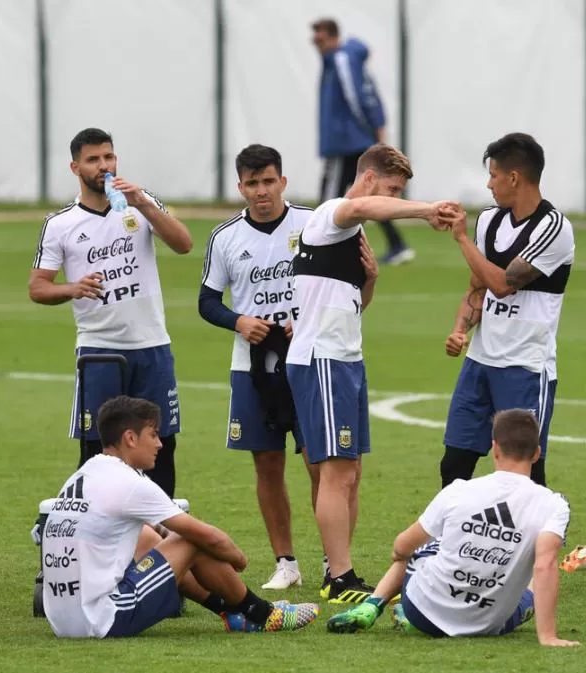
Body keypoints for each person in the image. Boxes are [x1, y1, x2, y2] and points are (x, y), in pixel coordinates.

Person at [285, 143, 456, 602]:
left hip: (345, 358)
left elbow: (351, 306)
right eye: (393, 189)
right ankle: (337, 576)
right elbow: (363, 205)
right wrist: (425, 210)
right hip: (322, 359)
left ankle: (340, 571)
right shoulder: (332, 213)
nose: (394, 199)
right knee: (335, 472)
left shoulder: (348, 235)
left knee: (350, 472)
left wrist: (372, 281)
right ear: (368, 178)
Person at [41, 395, 319, 638]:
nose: (160, 444)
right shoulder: (128, 483)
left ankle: (230, 613)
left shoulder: (85, 474)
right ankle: (262, 613)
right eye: (153, 435)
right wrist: (238, 559)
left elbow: (152, 535)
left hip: (62, 620)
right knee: (191, 540)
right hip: (102, 618)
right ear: (129, 438)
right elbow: (204, 536)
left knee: (149, 537)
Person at [28, 128, 193, 497]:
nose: (103, 166)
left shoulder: (140, 203)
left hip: (151, 345)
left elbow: (184, 244)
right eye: (93, 159)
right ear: (75, 167)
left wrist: (144, 205)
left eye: (108, 157)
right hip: (99, 350)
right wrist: (73, 288)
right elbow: (38, 287)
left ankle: (161, 537)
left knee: (161, 446)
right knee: (96, 450)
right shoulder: (60, 224)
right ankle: (92, 531)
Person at [326, 409, 578, 648]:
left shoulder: (459, 490)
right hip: (490, 625)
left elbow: (401, 546)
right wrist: (548, 636)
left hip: (423, 610)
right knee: (535, 568)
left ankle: (372, 605)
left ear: (495, 449)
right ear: (536, 453)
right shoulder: (554, 504)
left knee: (428, 544)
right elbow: (545, 566)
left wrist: (400, 555)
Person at [199, 144, 311, 590]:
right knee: (267, 463)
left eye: (268, 182)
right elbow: (207, 301)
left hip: (305, 360)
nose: (261, 192)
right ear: (240, 187)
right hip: (251, 368)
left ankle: (333, 565)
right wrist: (239, 320)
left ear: (283, 181)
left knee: (318, 461)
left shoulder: (311, 225)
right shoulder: (226, 238)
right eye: (252, 184)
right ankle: (286, 562)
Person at [441, 133, 574, 488]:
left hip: (526, 368)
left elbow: (503, 283)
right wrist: (460, 328)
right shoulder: (490, 221)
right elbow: (478, 288)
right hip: (480, 363)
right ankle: (445, 543)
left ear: (513, 177)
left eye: (493, 175)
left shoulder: (554, 228)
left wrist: (462, 240)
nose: (489, 183)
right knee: (454, 462)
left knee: (525, 471)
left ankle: (541, 542)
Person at [311, 17, 413, 265]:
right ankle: (397, 245)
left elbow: (358, 97)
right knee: (365, 196)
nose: (316, 44)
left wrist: (373, 129)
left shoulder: (341, 59)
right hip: (351, 140)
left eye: (320, 39)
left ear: (333, 37)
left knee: (329, 198)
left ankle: (318, 250)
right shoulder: (343, 59)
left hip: (346, 141)